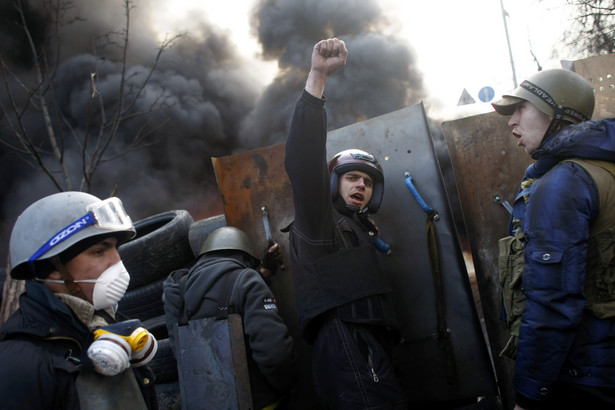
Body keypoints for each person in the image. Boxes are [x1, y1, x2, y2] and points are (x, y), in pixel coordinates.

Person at [284, 37, 407, 409]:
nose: (361, 185)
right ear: (333, 182)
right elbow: (304, 160)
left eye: (368, 182)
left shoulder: (358, 228)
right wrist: (318, 76)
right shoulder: (320, 220)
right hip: (346, 344)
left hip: (366, 343)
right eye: (352, 177)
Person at [492, 69, 615, 409]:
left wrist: (530, 393)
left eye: (520, 108)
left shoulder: (565, 181)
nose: (511, 121)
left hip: (586, 374)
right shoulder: (604, 169)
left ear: (556, 111)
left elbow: (553, 301)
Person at [0, 191, 159, 409]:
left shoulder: (107, 328)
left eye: (115, 248)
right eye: (99, 251)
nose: (116, 261)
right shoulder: (21, 362)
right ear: (53, 268)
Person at [162, 226, 297, 409]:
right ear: (246, 258)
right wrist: (285, 387)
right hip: (258, 402)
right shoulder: (248, 281)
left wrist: (264, 273)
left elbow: (180, 352)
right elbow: (275, 353)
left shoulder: (178, 291)